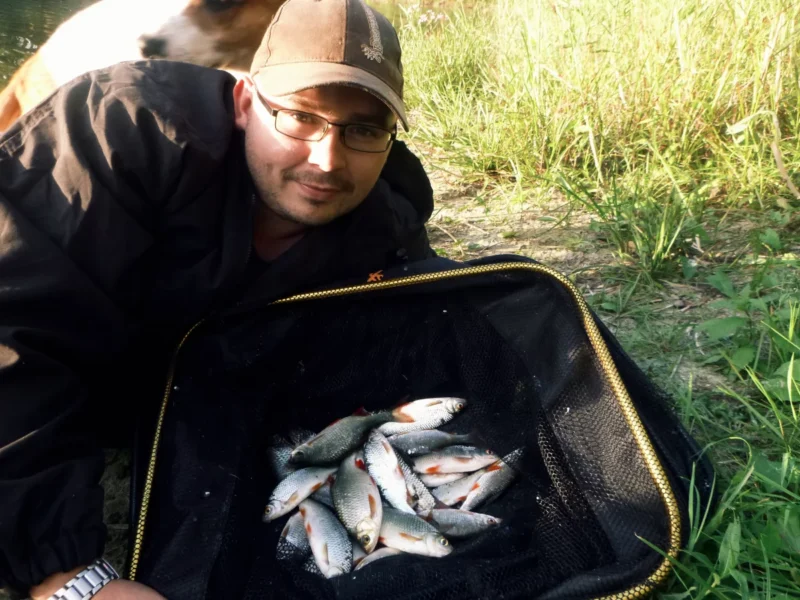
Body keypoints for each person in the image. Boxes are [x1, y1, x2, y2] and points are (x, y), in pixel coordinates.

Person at [0, 0, 434, 597]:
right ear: (245, 100)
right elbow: (12, 333)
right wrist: (68, 576)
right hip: (79, 373)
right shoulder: (117, 135)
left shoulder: (386, 228)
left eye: (362, 129)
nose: (327, 160)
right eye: (299, 116)